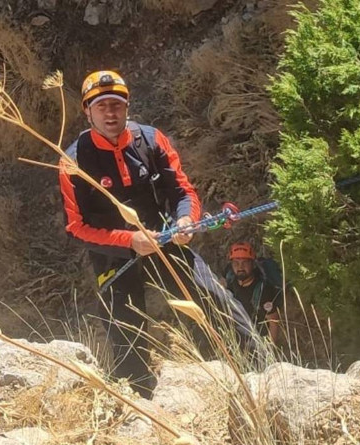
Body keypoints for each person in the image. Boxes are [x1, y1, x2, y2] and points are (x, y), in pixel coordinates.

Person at [58, 70, 244, 398]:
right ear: (87, 112)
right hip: (114, 254)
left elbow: (181, 190)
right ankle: (138, 401)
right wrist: (129, 241)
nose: (110, 112)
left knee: (215, 300)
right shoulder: (73, 162)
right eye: (101, 106)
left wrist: (186, 219)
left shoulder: (151, 140)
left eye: (117, 104)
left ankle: (250, 368)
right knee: (125, 328)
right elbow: (77, 228)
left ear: (127, 107)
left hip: (164, 238)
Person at [225, 242, 285, 344]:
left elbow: (274, 322)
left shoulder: (263, 291)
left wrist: (269, 351)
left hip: (258, 336)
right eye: (236, 263)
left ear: (252, 264)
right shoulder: (230, 275)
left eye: (245, 263)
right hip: (238, 330)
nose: (240, 267)